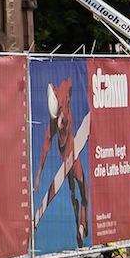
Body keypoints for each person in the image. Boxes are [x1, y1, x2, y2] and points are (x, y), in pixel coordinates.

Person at [34, 78, 90, 246]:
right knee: (75, 192)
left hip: (72, 150)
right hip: (65, 156)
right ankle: (79, 226)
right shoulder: (52, 124)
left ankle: (82, 224)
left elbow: (70, 83)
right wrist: (38, 176)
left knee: (82, 188)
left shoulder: (64, 93)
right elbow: (45, 148)